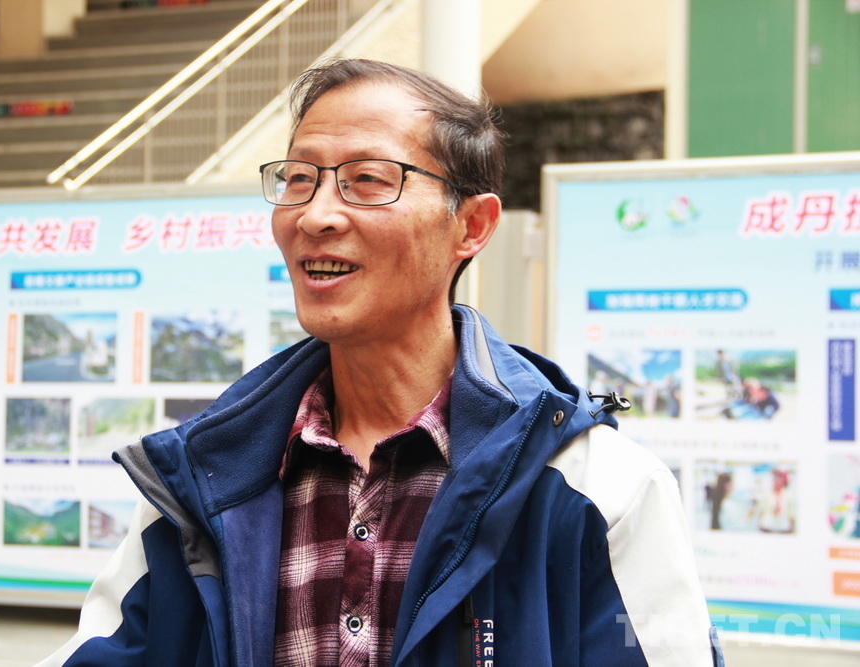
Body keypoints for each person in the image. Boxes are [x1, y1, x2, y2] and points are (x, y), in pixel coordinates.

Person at [39, 58, 722, 666]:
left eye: (366, 180)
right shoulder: (206, 474)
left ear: (472, 225)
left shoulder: (592, 485)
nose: (315, 215)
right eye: (299, 178)